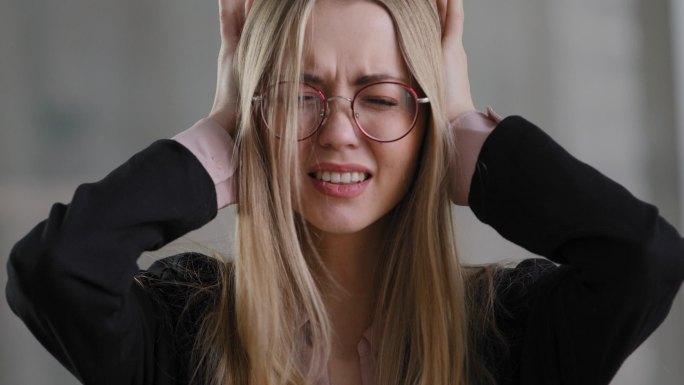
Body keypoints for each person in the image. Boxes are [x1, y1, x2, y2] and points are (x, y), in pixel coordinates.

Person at [5, 0, 684, 384]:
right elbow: (56, 269)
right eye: (302, 95)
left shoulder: (507, 332)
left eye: (381, 98)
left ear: (425, 115)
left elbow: (643, 260)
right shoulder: (187, 332)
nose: (338, 132)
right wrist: (226, 134)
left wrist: (465, 138)